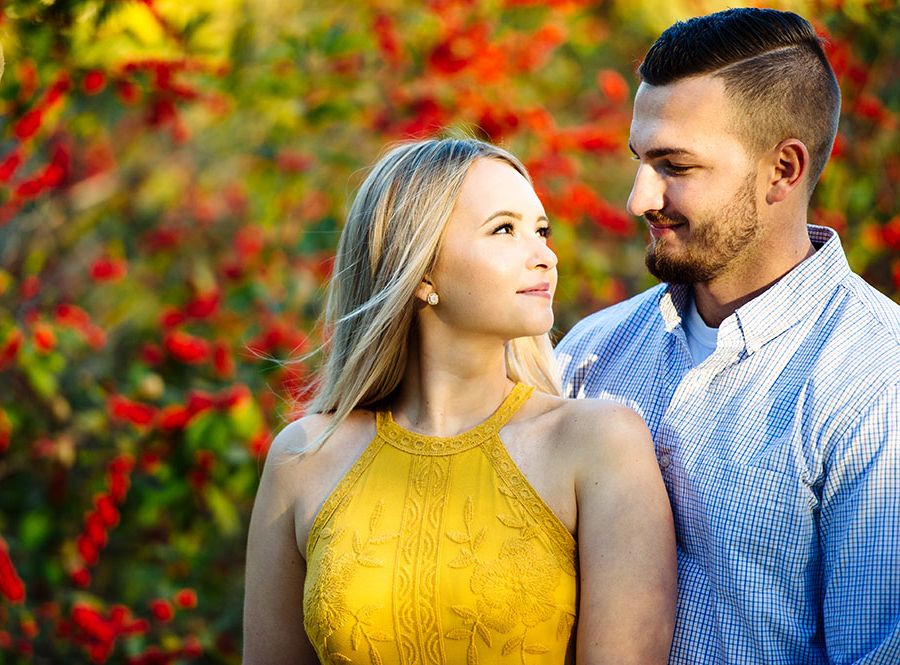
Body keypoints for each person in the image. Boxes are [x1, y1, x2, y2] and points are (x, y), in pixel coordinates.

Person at [243, 137, 676, 664]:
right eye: (505, 230)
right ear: (422, 269)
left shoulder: (598, 442)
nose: (545, 255)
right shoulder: (304, 458)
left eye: (541, 231)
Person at [554, 7, 900, 664]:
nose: (638, 198)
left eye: (674, 166)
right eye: (639, 160)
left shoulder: (878, 383)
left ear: (784, 170)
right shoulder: (588, 357)